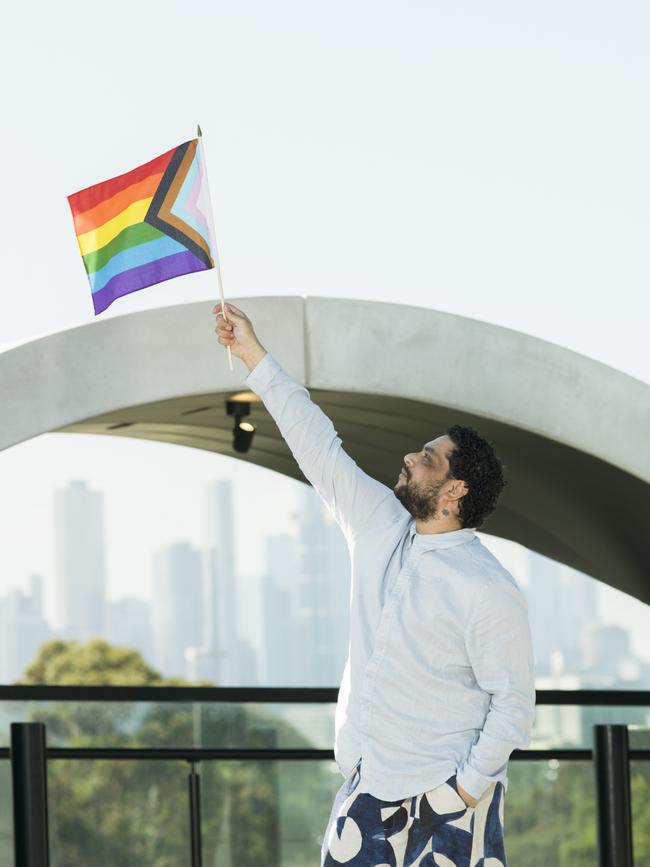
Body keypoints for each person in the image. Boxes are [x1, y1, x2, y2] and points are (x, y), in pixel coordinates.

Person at [213, 302, 536, 867]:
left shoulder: (488, 588)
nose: (411, 456)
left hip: (451, 800)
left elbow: (513, 703)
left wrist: (463, 789)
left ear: (455, 490)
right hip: (366, 789)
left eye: (429, 458)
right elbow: (317, 443)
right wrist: (252, 355)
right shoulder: (377, 522)